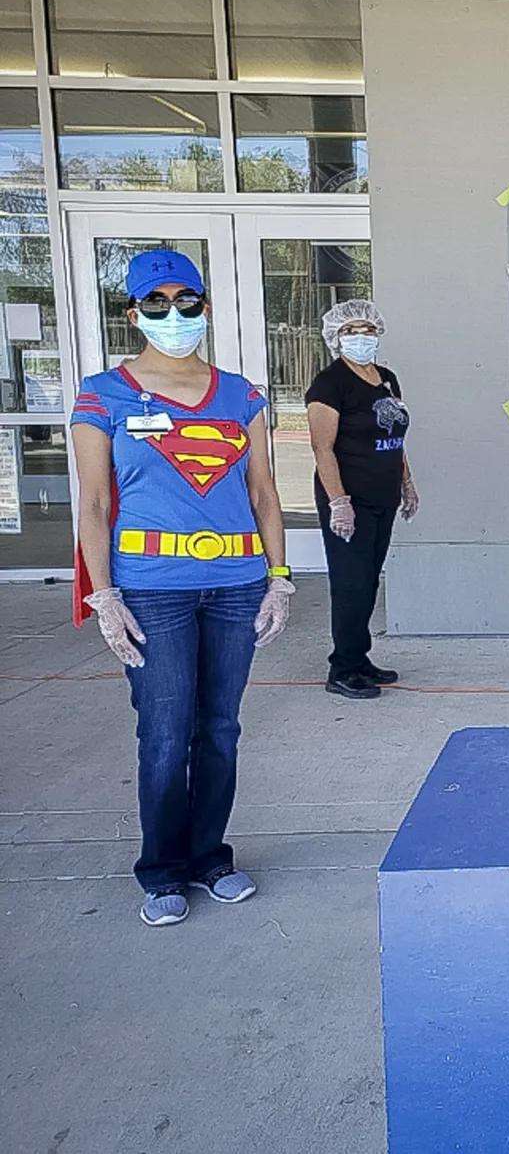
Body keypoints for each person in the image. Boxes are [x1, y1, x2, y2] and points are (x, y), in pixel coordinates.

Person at [70, 249, 294, 927]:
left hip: (234, 584)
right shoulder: (102, 394)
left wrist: (279, 579)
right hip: (150, 591)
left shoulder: (241, 394)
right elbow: (95, 504)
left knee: (219, 729)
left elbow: (263, 492)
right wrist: (103, 594)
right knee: (165, 732)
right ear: (133, 313)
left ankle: (209, 857)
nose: (176, 315)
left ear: (205, 306)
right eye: (158, 303)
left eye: (187, 300)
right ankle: (162, 870)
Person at [306, 299, 417, 699]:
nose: (362, 337)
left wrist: (406, 480)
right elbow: (323, 447)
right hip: (349, 497)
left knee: (369, 580)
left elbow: (396, 435)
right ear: (336, 337)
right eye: (351, 330)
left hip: (382, 494)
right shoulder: (329, 384)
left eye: (368, 329)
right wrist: (338, 501)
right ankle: (342, 668)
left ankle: (360, 656)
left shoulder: (386, 378)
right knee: (350, 583)